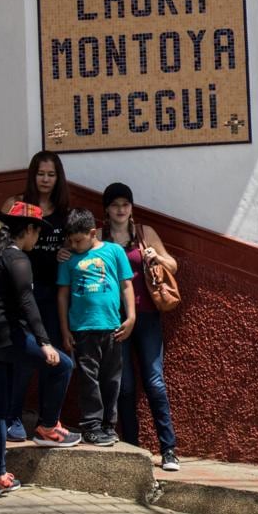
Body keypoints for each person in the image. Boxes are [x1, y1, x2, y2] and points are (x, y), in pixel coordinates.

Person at [0, 202, 81, 497]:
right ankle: (48, 427)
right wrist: (44, 342)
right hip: (6, 339)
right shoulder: (17, 258)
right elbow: (27, 302)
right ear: (28, 229)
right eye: (37, 232)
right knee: (63, 365)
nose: (38, 238)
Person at [102, 182, 182, 471]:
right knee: (124, 386)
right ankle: (133, 447)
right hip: (116, 318)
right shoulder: (99, 238)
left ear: (131, 207)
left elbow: (173, 265)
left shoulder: (144, 233)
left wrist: (155, 257)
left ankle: (169, 449)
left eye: (125, 204)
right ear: (107, 209)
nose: (120, 209)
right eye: (115, 205)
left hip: (147, 316)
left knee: (154, 381)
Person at [2, 151, 73, 442]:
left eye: (51, 174)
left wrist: (66, 252)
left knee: (53, 357)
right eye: (40, 173)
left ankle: (48, 421)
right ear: (32, 175)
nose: (45, 179)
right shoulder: (16, 204)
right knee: (23, 356)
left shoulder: (65, 212)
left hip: (52, 293)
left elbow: (75, 245)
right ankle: (12, 417)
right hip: (22, 291)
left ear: (58, 178)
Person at [57, 208, 134, 446]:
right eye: (70, 241)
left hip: (112, 327)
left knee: (112, 378)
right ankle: (91, 425)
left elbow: (126, 285)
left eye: (78, 240)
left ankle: (109, 425)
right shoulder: (68, 259)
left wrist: (131, 317)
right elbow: (62, 295)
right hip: (82, 329)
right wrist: (65, 330)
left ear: (92, 233)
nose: (73, 245)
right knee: (88, 378)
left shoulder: (114, 251)